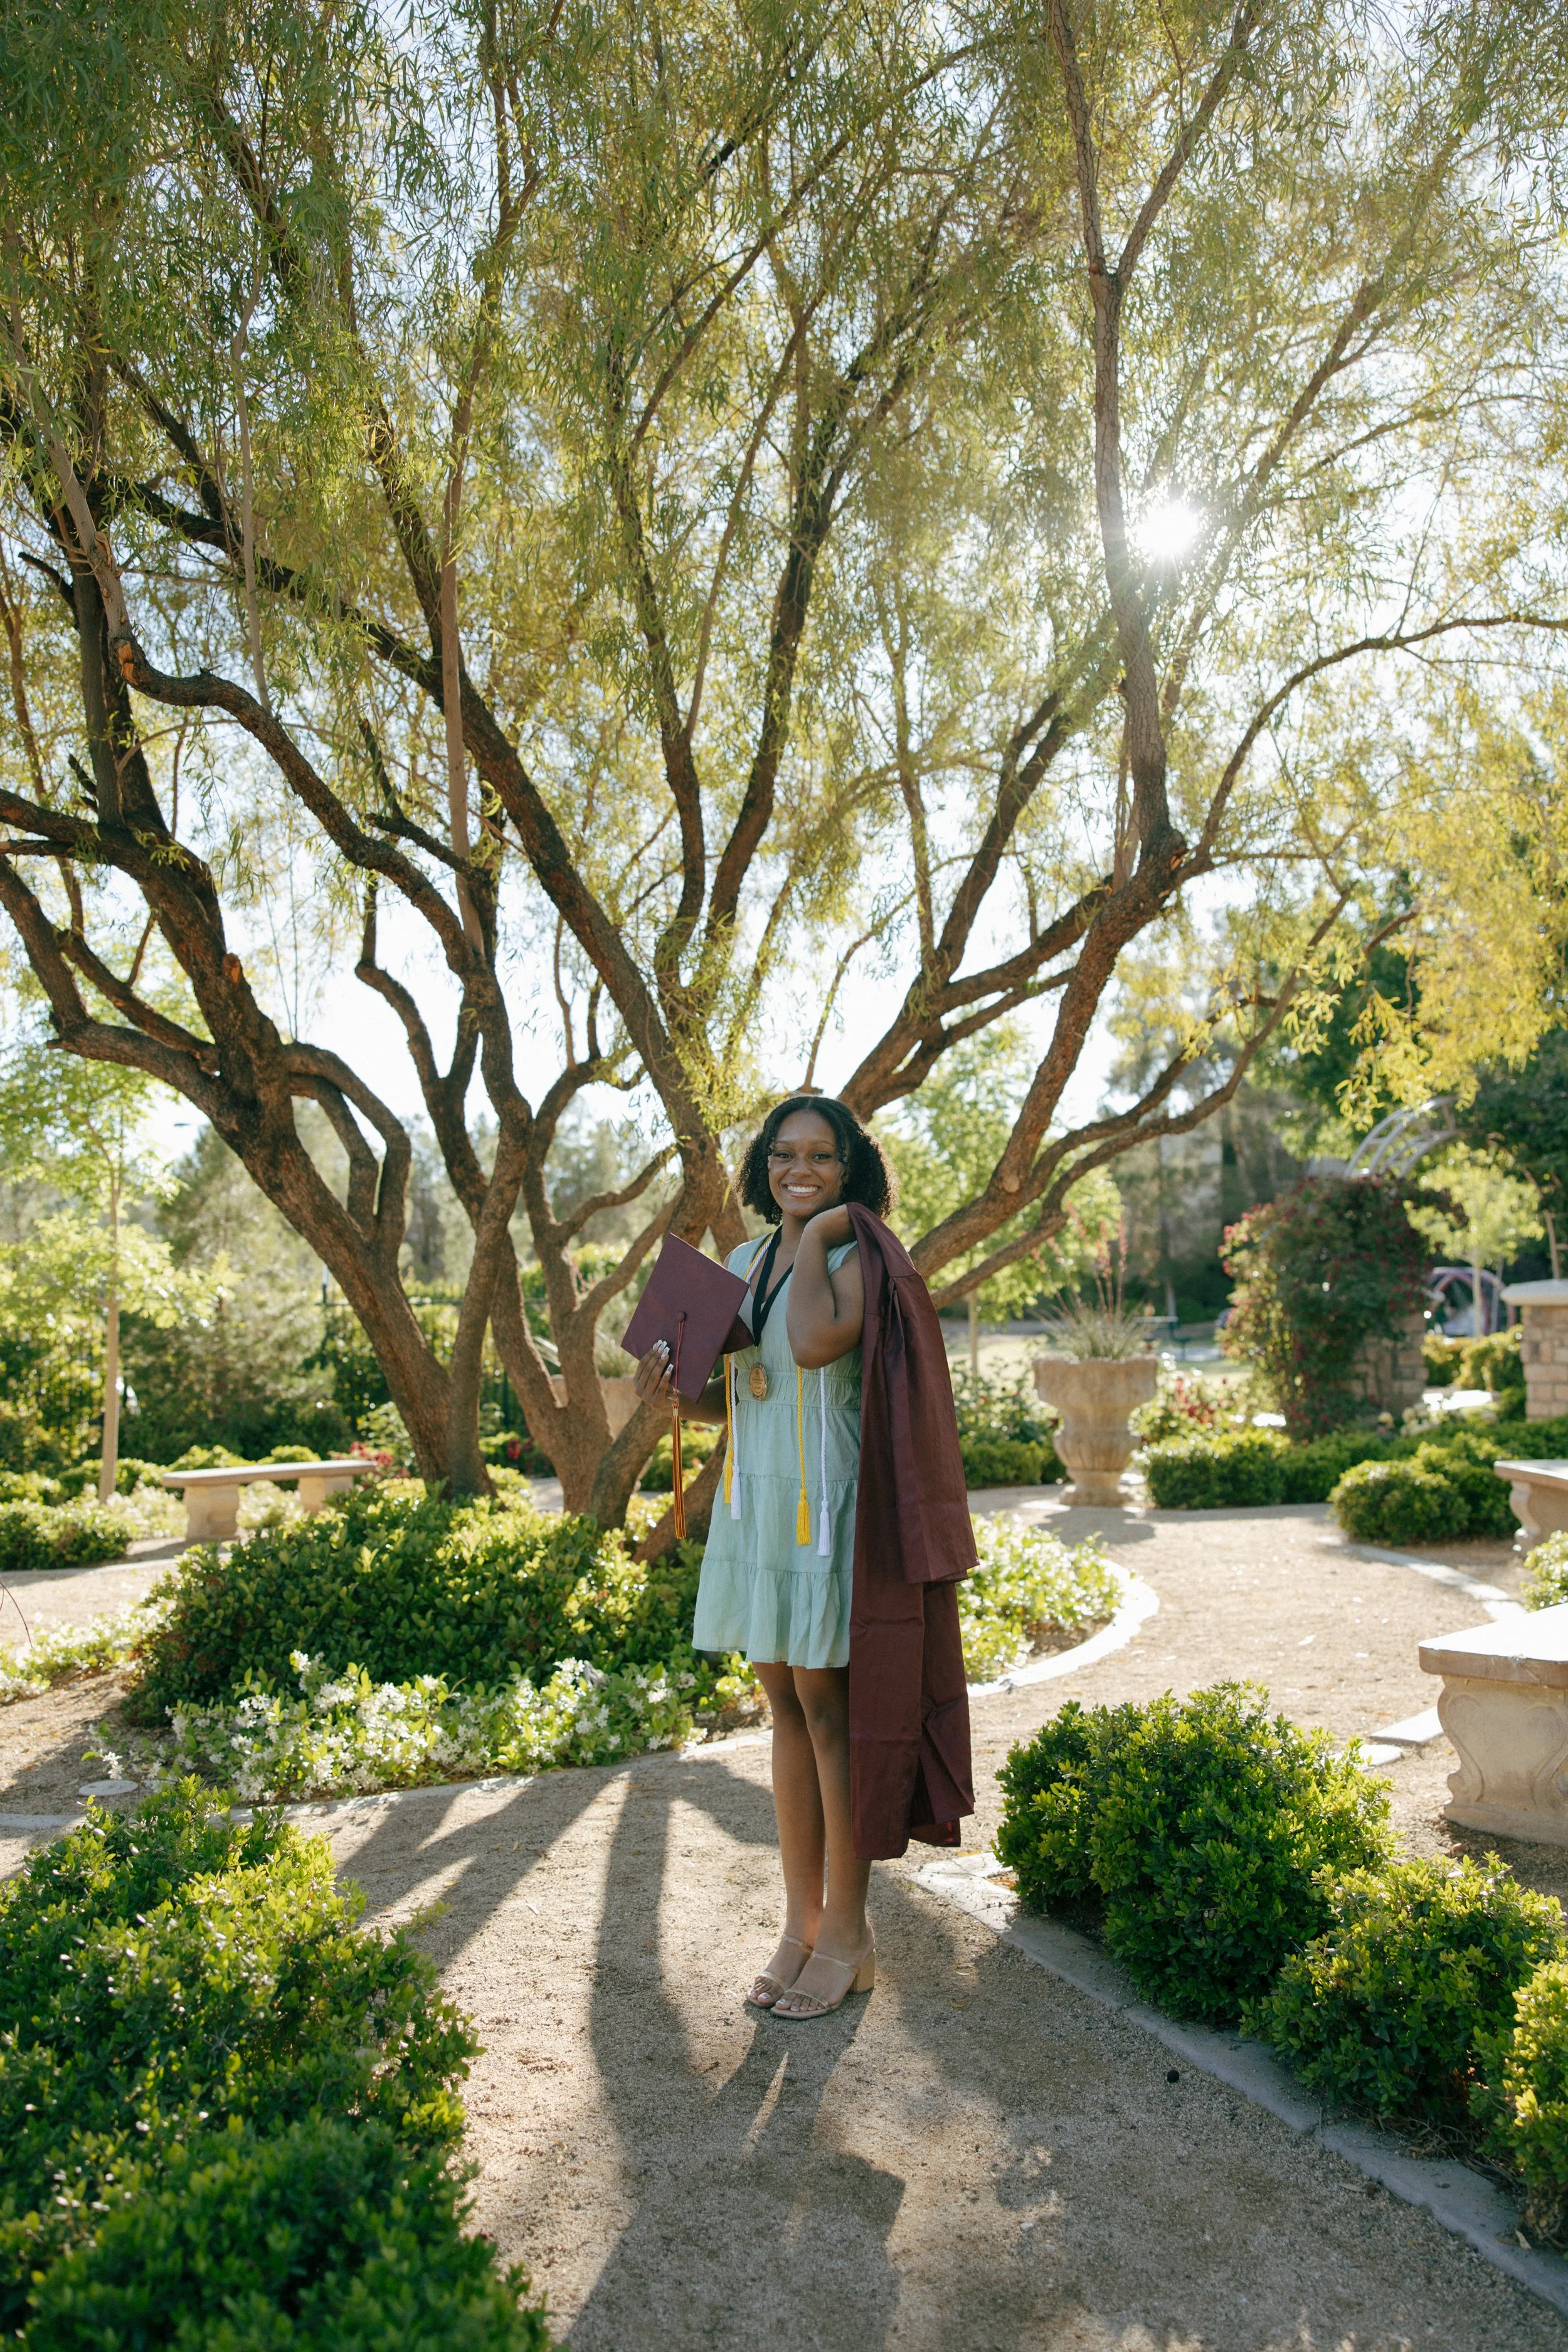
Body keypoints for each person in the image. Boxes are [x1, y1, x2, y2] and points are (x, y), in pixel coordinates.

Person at [632, 1094, 894, 2020]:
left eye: (822, 1157)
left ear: (849, 1167)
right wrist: (675, 1386)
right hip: (756, 1506)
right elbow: (737, 1393)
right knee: (781, 1705)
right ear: (764, 1162)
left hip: (824, 1509)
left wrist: (823, 1230)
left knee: (831, 1712)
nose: (800, 1168)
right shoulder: (743, 1262)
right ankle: (800, 1921)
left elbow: (820, 1347)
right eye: (785, 1154)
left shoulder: (854, 1253)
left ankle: (850, 1932)